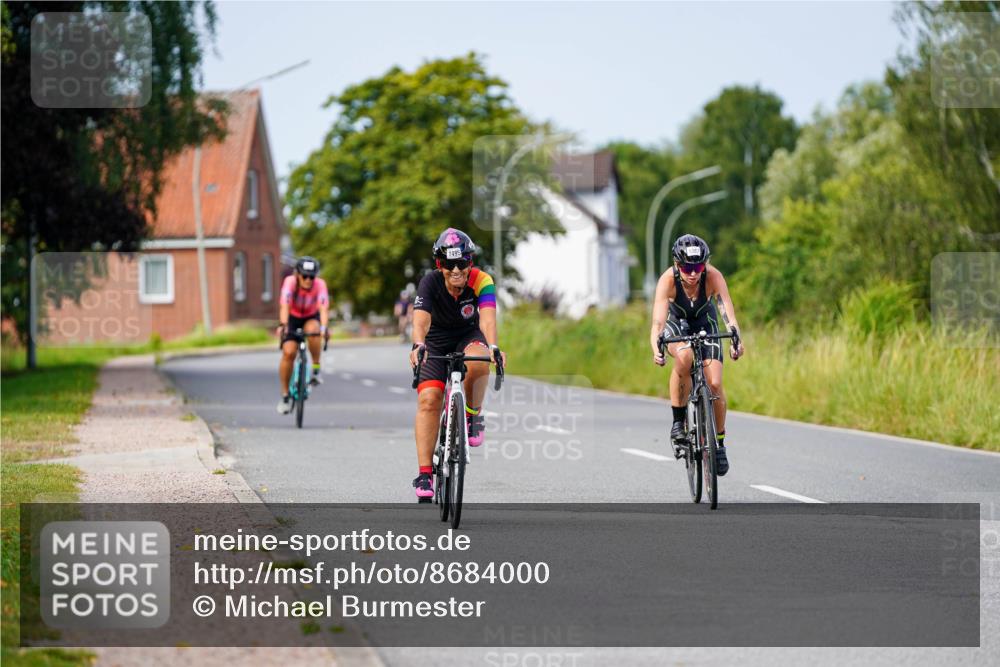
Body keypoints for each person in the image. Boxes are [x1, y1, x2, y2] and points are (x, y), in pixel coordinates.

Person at [409, 228, 504, 500]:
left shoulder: (482, 280)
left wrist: (494, 346)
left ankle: (472, 414)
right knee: (429, 399)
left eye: (461, 262)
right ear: (440, 265)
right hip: (436, 340)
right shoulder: (429, 282)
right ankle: (425, 474)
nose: (456, 270)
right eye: (449, 264)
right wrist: (418, 344)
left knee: (479, 358)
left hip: (468, 335)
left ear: (470, 262)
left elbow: (486, 319)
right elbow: (421, 321)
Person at [649, 234, 744, 475]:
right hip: (676, 324)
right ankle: (677, 423)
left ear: (705, 265)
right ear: (677, 265)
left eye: (698, 267)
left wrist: (736, 339)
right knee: (684, 357)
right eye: (687, 268)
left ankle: (719, 444)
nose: (693, 274)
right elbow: (658, 323)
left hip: (706, 322)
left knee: (714, 383)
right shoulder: (668, 280)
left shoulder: (713, 277)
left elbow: (728, 315)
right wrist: (656, 349)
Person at [276, 257, 330, 414]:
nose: (308, 280)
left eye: (311, 276)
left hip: (310, 316)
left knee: (315, 330)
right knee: (289, 352)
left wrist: (324, 328)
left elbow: (323, 307)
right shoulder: (290, 282)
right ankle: (285, 395)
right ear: (297, 274)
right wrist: (284, 325)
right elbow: (284, 305)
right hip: (292, 317)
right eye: (304, 276)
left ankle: (315, 369)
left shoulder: (320, 285)